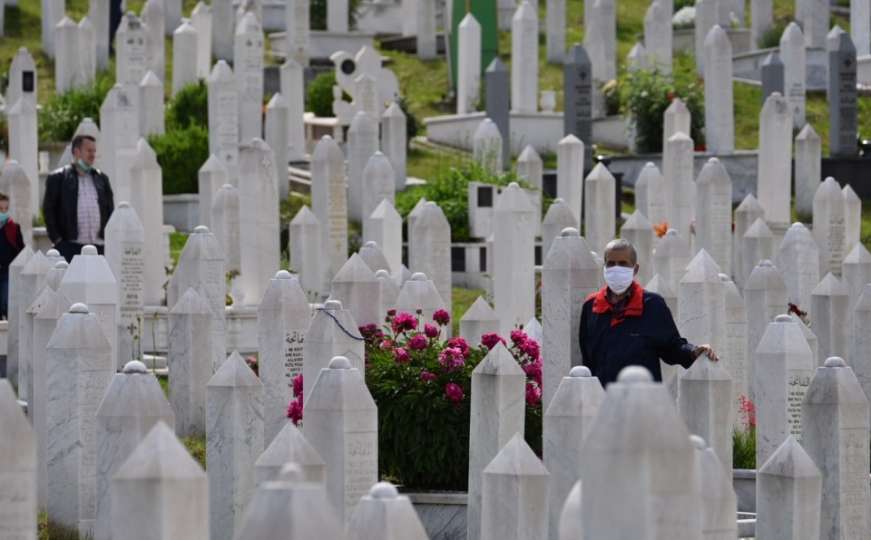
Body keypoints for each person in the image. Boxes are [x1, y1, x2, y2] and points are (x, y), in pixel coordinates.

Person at [579, 238, 718, 386]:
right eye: (611, 263)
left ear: (635, 269)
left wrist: (694, 351)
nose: (616, 268)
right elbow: (586, 356)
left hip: (643, 398)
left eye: (623, 263)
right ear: (604, 266)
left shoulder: (652, 305)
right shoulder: (591, 306)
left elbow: (671, 347)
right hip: (602, 398)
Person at [43, 134, 115, 262]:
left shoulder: (101, 179)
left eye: (94, 151)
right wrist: (58, 240)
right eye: (89, 150)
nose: (92, 155)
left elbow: (110, 210)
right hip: (70, 246)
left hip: (98, 247)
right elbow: (49, 210)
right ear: (76, 152)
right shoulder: (59, 178)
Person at [0, 193, 25, 319]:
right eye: (0, 209)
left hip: (6, 270)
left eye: (6, 209)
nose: (3, 212)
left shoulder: (14, 228)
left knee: (5, 302)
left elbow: (21, 250)